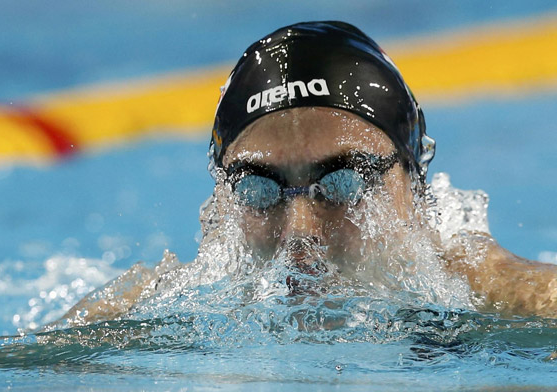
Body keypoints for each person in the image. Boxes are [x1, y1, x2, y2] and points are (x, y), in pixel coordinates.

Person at [48, 21, 557, 330]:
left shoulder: (496, 298)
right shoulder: (158, 310)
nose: (298, 232)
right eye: (257, 188)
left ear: (415, 186)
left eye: (342, 183)